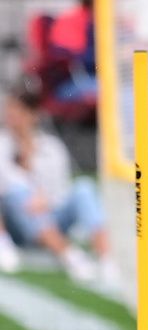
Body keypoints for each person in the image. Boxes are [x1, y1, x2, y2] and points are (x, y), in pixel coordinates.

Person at [0, 81, 108, 282]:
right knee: (18, 194)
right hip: (15, 221)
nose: (12, 117)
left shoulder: (52, 147)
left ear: (32, 115)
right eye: (10, 110)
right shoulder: (2, 145)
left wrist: (46, 201)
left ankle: (106, 257)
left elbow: (62, 190)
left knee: (83, 187)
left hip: (52, 217)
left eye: (18, 111)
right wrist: (26, 195)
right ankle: (70, 255)